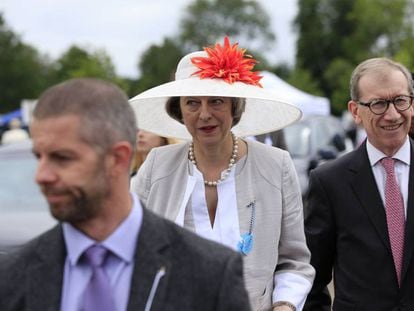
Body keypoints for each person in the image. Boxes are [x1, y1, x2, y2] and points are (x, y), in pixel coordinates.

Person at [0, 78, 251, 311]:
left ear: (117, 159)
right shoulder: (13, 276)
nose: (41, 175)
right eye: (39, 157)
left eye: (62, 158)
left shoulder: (210, 273)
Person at [130, 37, 315, 311]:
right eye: (192, 103)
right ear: (178, 110)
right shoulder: (157, 166)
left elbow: (294, 261)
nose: (204, 114)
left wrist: (285, 305)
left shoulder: (275, 165)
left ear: (234, 107)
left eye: (216, 101)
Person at [303, 58, 414, 310]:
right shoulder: (329, 182)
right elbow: (311, 277)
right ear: (355, 111)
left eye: (400, 100)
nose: (392, 114)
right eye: (378, 104)